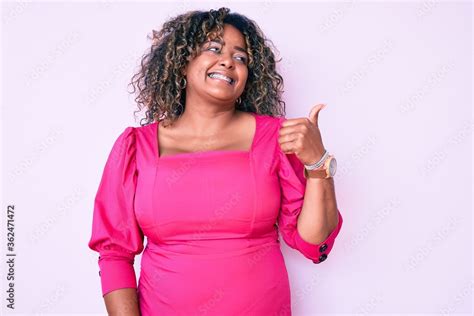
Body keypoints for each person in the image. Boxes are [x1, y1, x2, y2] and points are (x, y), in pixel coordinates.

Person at [88, 7, 343, 315]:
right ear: (183, 62)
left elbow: (312, 241)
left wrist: (318, 164)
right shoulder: (136, 147)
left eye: (241, 57)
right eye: (214, 48)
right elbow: (114, 253)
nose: (228, 61)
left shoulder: (275, 139)